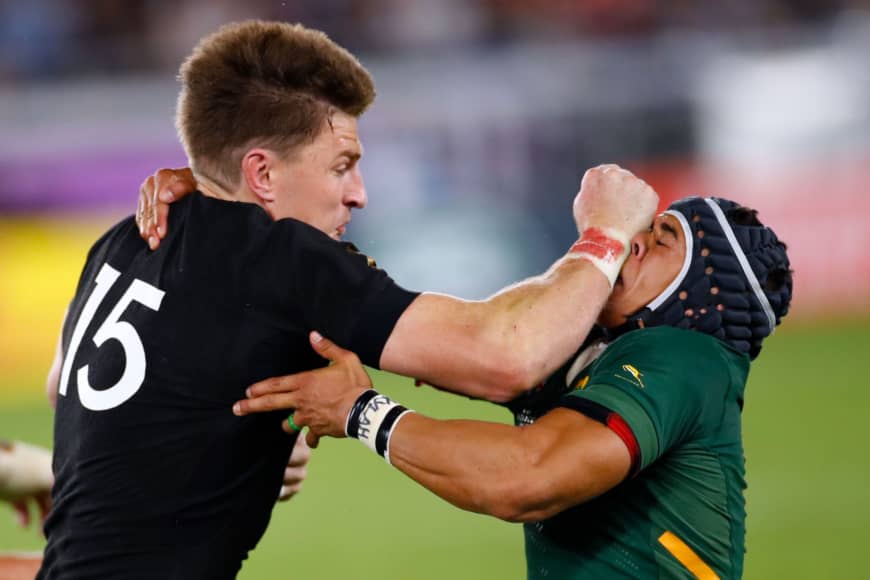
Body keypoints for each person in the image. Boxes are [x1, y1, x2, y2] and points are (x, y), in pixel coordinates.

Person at [45, 19, 657, 580]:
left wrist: (212, 439)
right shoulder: (280, 257)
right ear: (261, 174)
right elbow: (506, 357)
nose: (358, 194)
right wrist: (605, 235)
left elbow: (63, 388)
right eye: (342, 166)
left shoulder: (127, 237)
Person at [232, 196, 793, 579]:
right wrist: (219, 207)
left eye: (663, 239)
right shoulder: (602, 352)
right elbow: (468, 350)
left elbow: (526, 477)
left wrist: (361, 411)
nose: (634, 241)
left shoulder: (684, 355)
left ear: (706, 290)